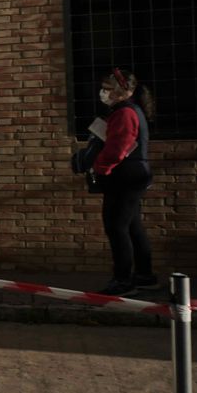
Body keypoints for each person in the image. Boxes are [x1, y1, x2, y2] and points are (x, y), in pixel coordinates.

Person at [70, 66, 158, 296]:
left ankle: (123, 280)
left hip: (124, 177)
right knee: (132, 225)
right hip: (134, 175)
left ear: (122, 91)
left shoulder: (125, 113)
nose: (103, 92)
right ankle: (144, 275)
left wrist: (100, 168)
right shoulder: (130, 110)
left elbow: (118, 148)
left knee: (116, 227)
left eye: (108, 89)